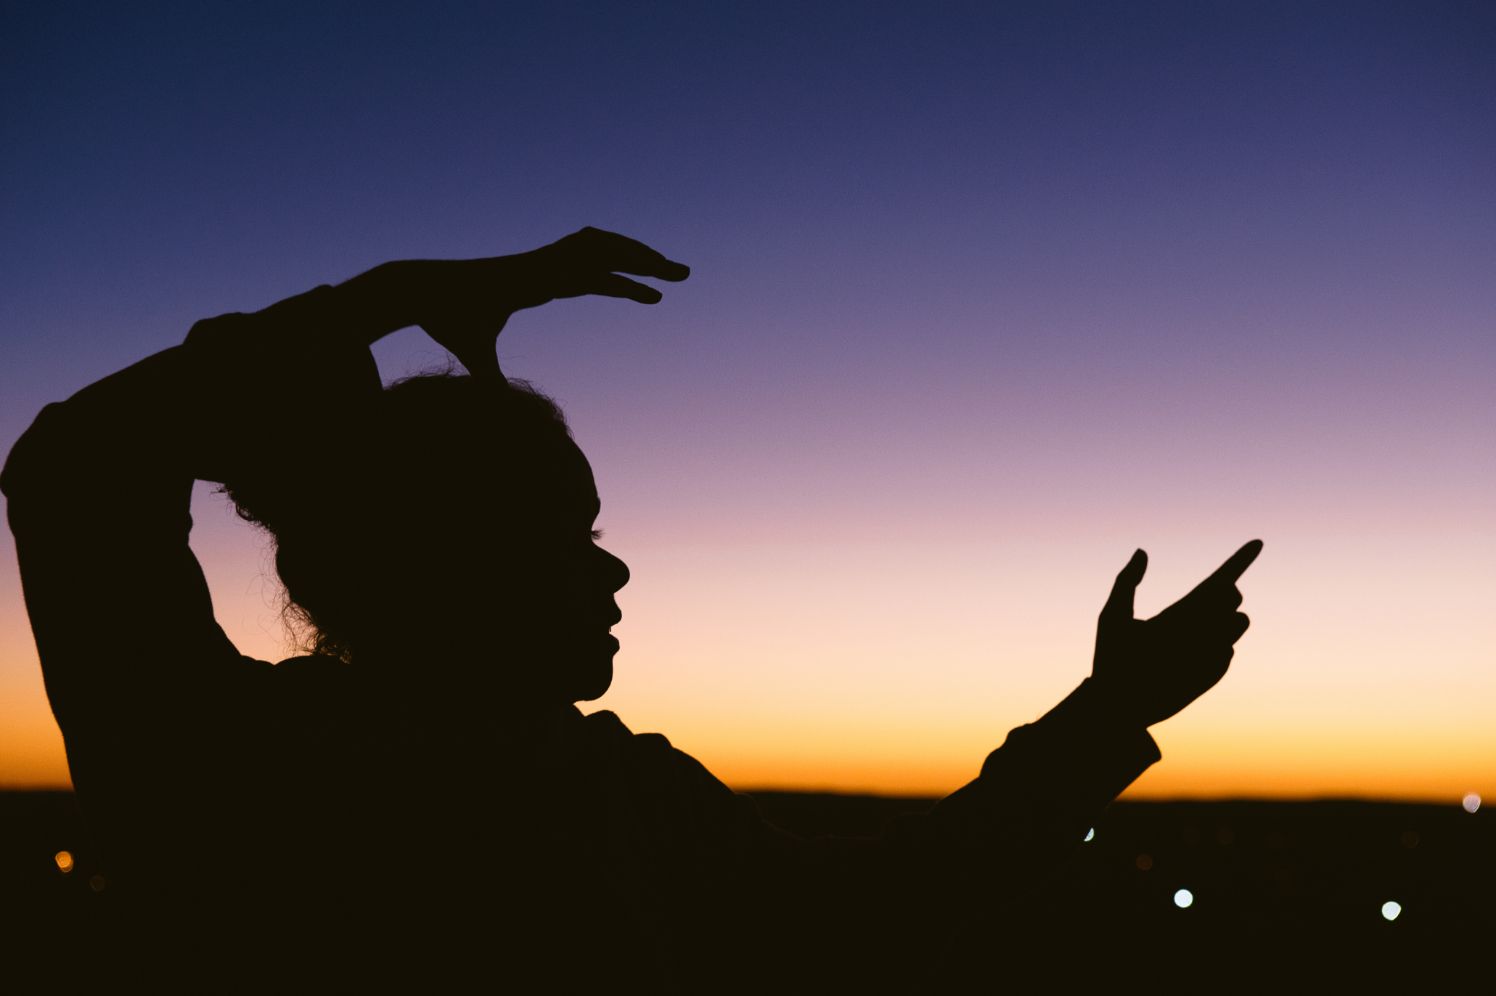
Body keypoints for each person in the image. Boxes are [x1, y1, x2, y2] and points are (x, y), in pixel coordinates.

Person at [3, 227, 1261, 991]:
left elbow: (864, 913)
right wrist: (380, 293)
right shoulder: (236, 763)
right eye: (562, 538)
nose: (610, 575)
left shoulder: (615, 787)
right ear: (441, 564)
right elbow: (72, 472)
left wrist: (1108, 714)